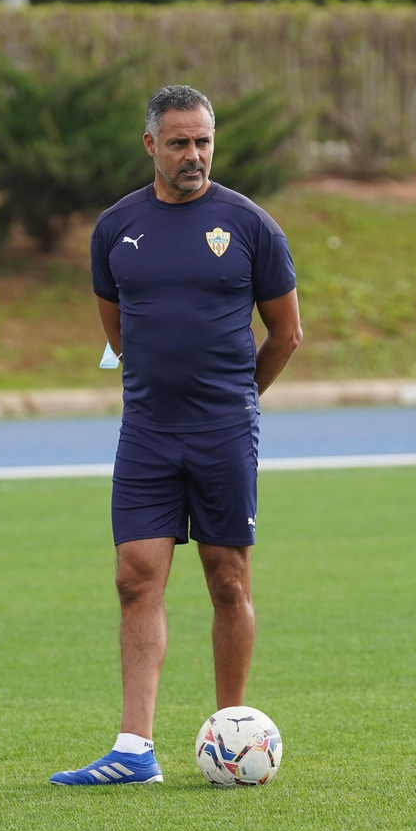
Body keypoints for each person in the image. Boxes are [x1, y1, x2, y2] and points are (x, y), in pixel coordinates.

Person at [51, 84, 302, 785]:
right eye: (180, 142)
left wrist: (237, 402)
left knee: (228, 581)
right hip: (148, 434)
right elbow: (117, 332)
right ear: (150, 145)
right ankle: (134, 750)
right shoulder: (115, 229)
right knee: (135, 579)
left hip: (224, 432)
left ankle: (233, 733)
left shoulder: (252, 227)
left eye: (204, 142)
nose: (194, 155)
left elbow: (286, 336)